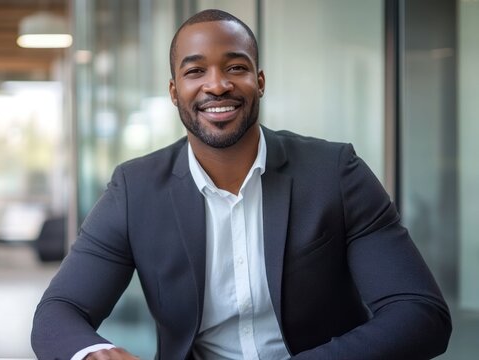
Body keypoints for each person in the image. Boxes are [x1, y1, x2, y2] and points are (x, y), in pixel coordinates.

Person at [31, 9, 451, 360]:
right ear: (175, 92)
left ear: (260, 82)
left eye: (236, 67)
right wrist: (92, 352)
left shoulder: (335, 172)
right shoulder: (134, 189)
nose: (217, 84)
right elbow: (59, 310)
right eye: (196, 71)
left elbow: (420, 313)